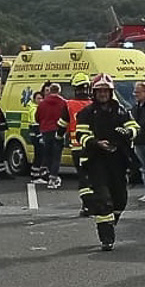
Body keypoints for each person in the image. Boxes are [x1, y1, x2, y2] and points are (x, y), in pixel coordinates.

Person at [76, 73, 140, 251]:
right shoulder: (87, 113)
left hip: (118, 160)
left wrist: (127, 133)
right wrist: (96, 143)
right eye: (100, 91)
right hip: (96, 160)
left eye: (106, 90)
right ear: (94, 93)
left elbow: (134, 127)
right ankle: (106, 238)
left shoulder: (121, 110)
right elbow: (81, 134)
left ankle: (111, 221)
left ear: (111, 92)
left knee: (121, 199)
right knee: (103, 200)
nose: (103, 93)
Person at [59, 73, 93, 214]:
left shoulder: (69, 105)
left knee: (83, 177)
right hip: (94, 147)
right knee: (95, 176)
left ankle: (86, 206)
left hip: (78, 149)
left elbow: (61, 125)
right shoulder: (94, 104)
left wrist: (58, 137)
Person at [36, 83, 68, 189]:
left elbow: (37, 117)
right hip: (59, 131)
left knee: (48, 154)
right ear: (59, 91)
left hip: (46, 131)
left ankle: (48, 174)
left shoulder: (43, 103)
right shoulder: (64, 103)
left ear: (50, 91)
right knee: (56, 156)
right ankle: (53, 178)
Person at [24, 91, 46, 184]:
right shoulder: (34, 109)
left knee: (39, 155)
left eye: (41, 98)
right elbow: (35, 124)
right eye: (38, 98)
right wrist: (40, 136)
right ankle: (35, 176)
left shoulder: (38, 107)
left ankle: (36, 174)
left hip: (36, 135)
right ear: (34, 99)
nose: (40, 100)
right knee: (38, 155)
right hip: (36, 136)